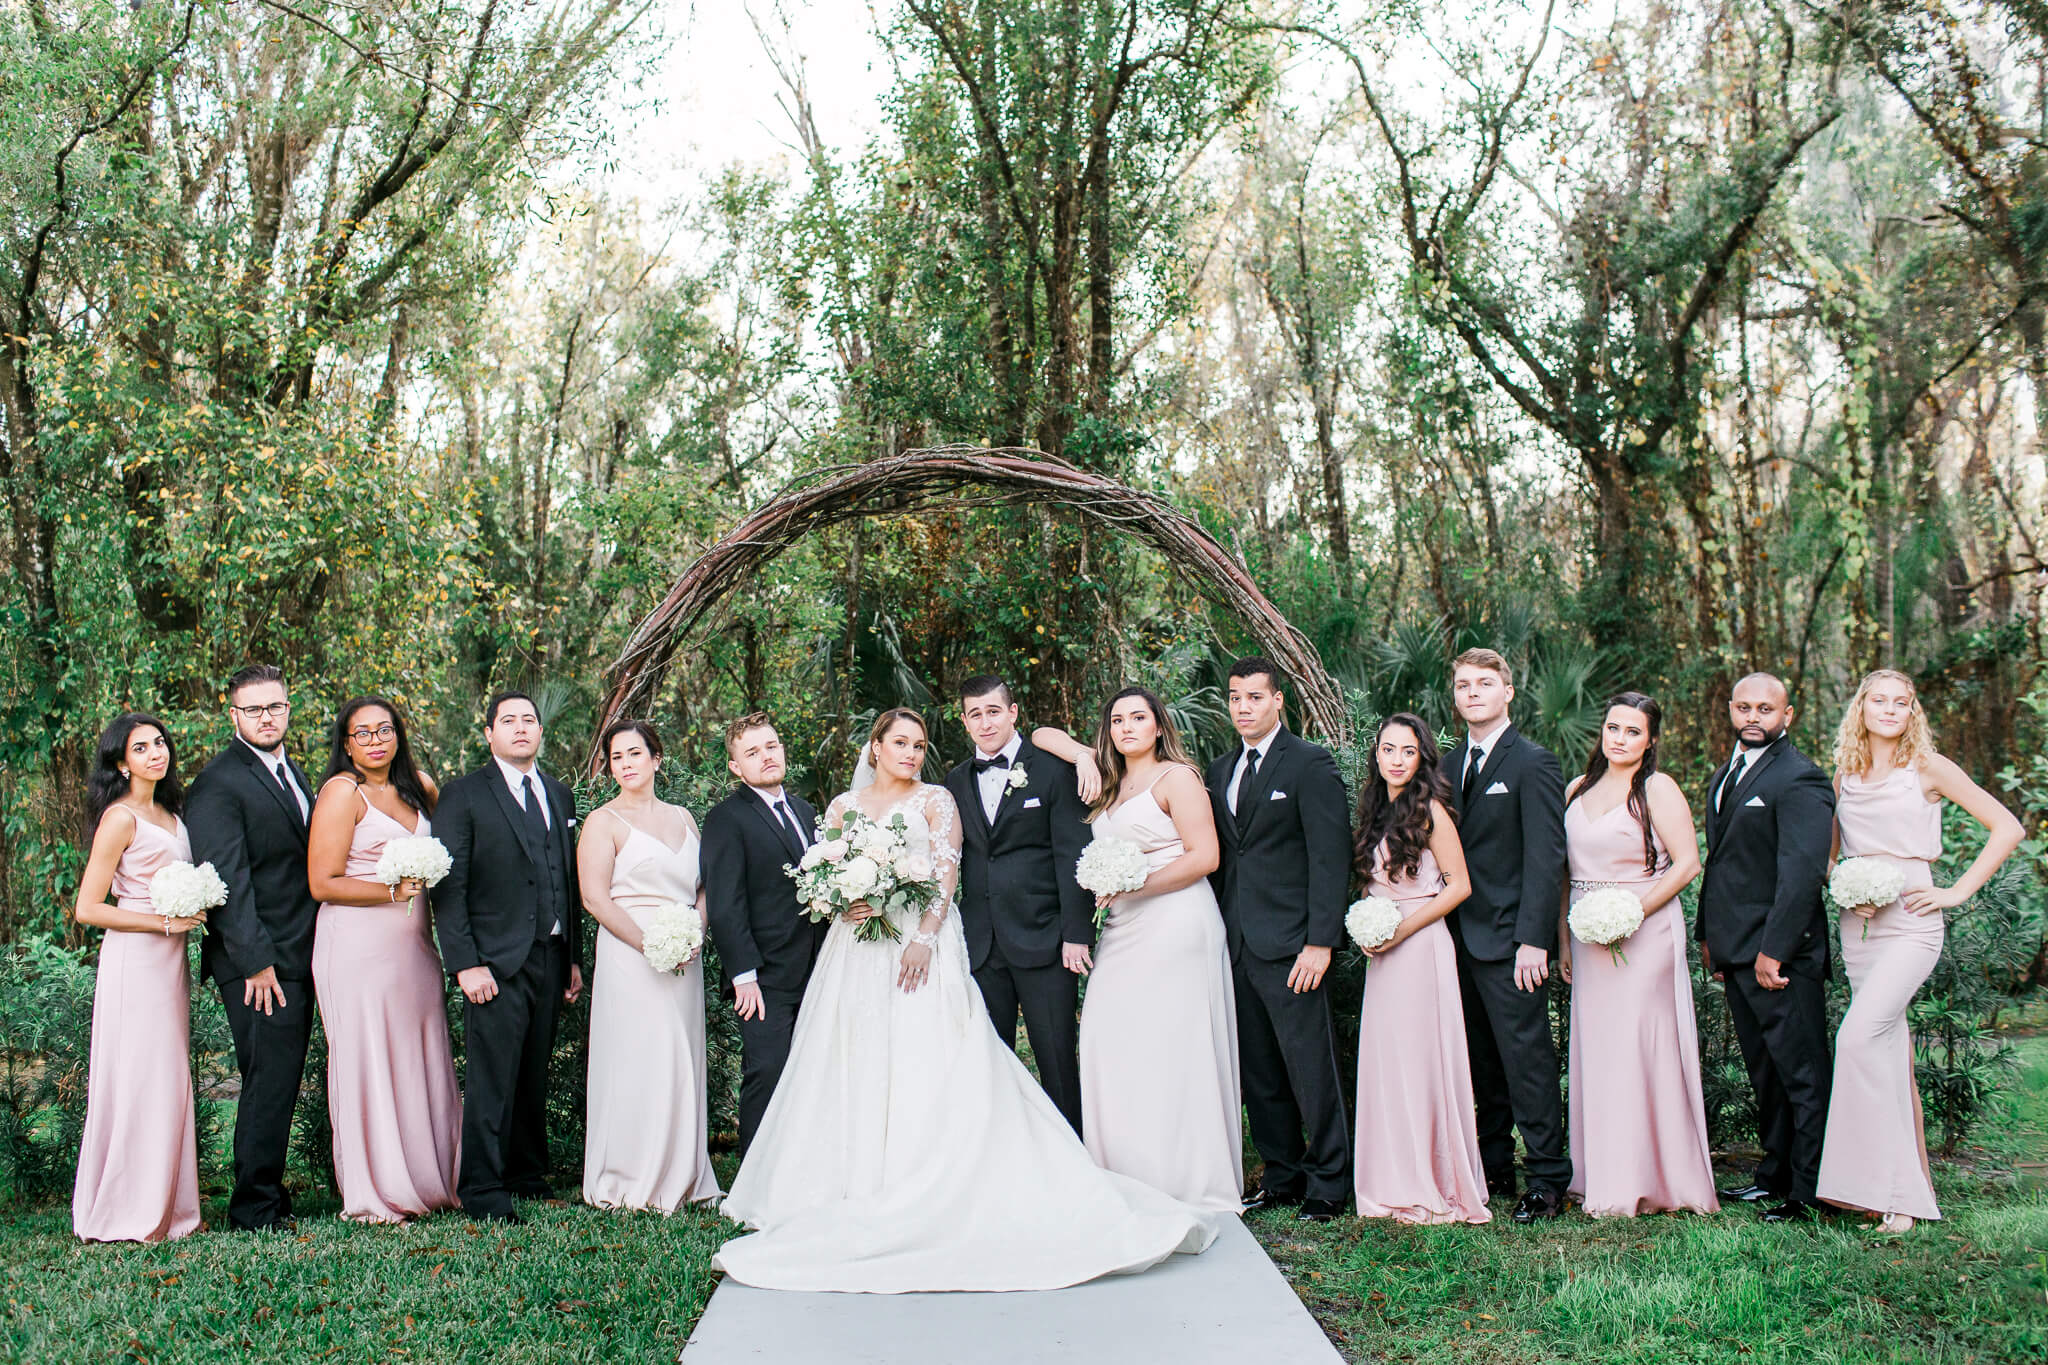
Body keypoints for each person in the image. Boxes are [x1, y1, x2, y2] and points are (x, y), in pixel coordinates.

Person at [714, 709, 1214, 1293]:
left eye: (920, 745)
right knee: (850, 1057)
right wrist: (842, 900)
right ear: (875, 747)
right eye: (900, 742)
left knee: (932, 1060)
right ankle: (849, 1179)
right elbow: (825, 874)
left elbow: (947, 875)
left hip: (921, 949)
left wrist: (924, 939)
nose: (912, 753)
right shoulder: (838, 810)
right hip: (856, 953)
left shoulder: (936, 801)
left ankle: (930, 1173)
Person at [1816, 670, 2022, 1233]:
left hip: (1912, 923)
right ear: (1861, 708)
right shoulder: (1846, 774)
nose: (1889, 710)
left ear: (1912, 713)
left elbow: (2007, 827)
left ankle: (1889, 1190)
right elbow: (1831, 854)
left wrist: (1955, 891)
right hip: (1860, 927)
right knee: (1885, 1054)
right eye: (1878, 701)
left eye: (1900, 703)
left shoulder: (1928, 768)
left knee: (1856, 1037)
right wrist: (1844, 887)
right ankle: (1893, 1196)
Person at [1075, 687, 1241, 1212]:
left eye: (1138, 717)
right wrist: (1081, 753)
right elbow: (1041, 735)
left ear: (1157, 725)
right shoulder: (1108, 782)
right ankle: (1127, 1170)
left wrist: (1134, 884)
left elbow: (1207, 856)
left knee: (1173, 1045)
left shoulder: (1177, 778)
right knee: (1111, 1040)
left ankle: (1185, 1176)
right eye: (1117, 719)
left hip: (1176, 923)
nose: (1127, 727)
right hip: (1124, 930)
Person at [1556, 693, 1717, 1218]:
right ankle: (1600, 1172)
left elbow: (1687, 864)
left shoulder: (1657, 788)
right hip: (1585, 932)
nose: (1619, 738)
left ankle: (1651, 1177)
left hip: (1643, 933)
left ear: (1650, 739)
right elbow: (1565, 874)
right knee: (1599, 1051)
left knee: (1638, 1049)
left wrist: (1629, 913)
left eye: (1632, 731)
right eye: (1612, 728)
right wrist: (1565, 939)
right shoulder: (1576, 789)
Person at [1203, 657, 1352, 1222]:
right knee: (1260, 1070)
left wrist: (1321, 941)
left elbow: (1329, 858)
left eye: (1254, 698)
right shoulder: (1219, 771)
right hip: (1236, 943)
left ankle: (1330, 1181)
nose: (1243, 708)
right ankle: (1282, 1175)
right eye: (1235, 698)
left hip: (1293, 946)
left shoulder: (1310, 765)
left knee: (1311, 1068)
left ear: (1278, 701)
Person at [433, 691, 585, 1225]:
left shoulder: (559, 796)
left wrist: (572, 955)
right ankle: (483, 1188)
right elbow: (449, 887)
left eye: (529, 720)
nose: (521, 728)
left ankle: (526, 1174)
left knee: (533, 1073)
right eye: (509, 721)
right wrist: (465, 963)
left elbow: (565, 877)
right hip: (493, 961)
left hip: (549, 954)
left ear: (541, 732)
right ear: (489, 734)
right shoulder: (464, 794)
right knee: (493, 1077)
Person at [308, 696, 462, 1222]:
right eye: (362, 733)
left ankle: (429, 1177)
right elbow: (321, 882)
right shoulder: (340, 792)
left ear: (398, 733)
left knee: (419, 1053)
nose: (375, 740)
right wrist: (392, 891)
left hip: (414, 947)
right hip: (357, 945)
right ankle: (379, 1187)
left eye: (384, 730)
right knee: (368, 1054)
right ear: (346, 743)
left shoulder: (420, 786)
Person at [185, 663, 321, 1232]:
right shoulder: (219, 783)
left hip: (302, 950)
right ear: (233, 714)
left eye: (276, 707)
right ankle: (254, 1208)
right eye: (254, 709)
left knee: (280, 1077)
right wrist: (255, 962)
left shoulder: (294, 772)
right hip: (260, 961)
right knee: (268, 1079)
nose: (267, 717)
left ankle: (268, 1192)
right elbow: (228, 880)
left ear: (288, 709)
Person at [1698, 672, 1836, 1223]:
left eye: (1766, 708)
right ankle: (1772, 1175)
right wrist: (1708, 935)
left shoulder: (1801, 779)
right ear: (1730, 710)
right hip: (1735, 953)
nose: (1753, 717)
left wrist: (1774, 949)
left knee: (1802, 1073)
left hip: (1781, 957)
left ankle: (1808, 1191)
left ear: (1788, 715)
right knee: (1767, 1073)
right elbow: (1722, 864)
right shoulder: (1724, 774)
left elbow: (1801, 874)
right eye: (1744, 707)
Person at [1442, 648, 1570, 1222]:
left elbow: (1546, 858)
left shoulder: (1533, 764)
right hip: (1452, 942)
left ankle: (1546, 1176)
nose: (1472, 693)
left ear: (1507, 692)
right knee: (1477, 1062)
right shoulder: (1443, 767)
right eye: (1463, 685)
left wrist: (1534, 939)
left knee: (1527, 1060)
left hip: (1512, 941)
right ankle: (1492, 1165)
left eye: (1484, 684)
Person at [1350, 713, 1488, 1224]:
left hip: (1420, 943)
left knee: (1421, 1060)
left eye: (1408, 752)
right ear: (1377, 754)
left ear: (1422, 758)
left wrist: (1402, 930)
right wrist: (1369, 925)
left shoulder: (1430, 812)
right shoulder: (1374, 809)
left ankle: (1433, 1180)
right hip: (1382, 948)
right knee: (1390, 1062)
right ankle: (1391, 1175)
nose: (1397, 760)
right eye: (1388, 749)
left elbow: (1459, 886)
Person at [578, 719, 721, 1212]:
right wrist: (652, 945)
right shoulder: (603, 821)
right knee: (638, 1059)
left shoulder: (684, 817)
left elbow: (703, 886)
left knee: (680, 1058)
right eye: (617, 758)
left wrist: (694, 931)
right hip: (631, 955)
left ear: (657, 759)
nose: (625, 765)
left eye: (634, 754)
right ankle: (629, 1175)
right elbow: (595, 899)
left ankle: (684, 1172)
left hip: (685, 956)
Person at [71, 713, 202, 1243]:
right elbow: (87, 908)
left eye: (160, 742)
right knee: (140, 1077)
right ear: (122, 763)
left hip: (170, 961)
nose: (156, 753)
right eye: (140, 747)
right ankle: (125, 1208)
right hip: (135, 959)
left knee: (168, 1078)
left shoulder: (172, 812)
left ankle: (168, 1205)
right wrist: (163, 921)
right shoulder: (120, 818)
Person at [943, 675, 1093, 1133]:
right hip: (983, 945)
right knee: (990, 1061)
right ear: (965, 722)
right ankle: (1004, 1157)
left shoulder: (1051, 770)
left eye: (993, 711)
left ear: (1012, 714)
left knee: (1056, 1058)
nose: (985, 722)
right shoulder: (954, 781)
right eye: (975, 714)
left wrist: (1076, 934)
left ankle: (1073, 1159)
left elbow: (1072, 853)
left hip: (1046, 940)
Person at [700, 712, 828, 1155]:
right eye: (752, 752)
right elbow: (724, 903)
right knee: (768, 1069)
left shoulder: (806, 810)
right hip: (764, 976)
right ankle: (754, 1171)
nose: (766, 757)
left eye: (771, 746)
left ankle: (801, 1164)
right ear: (736, 766)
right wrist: (744, 976)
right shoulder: (725, 819)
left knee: (812, 1070)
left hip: (817, 967)